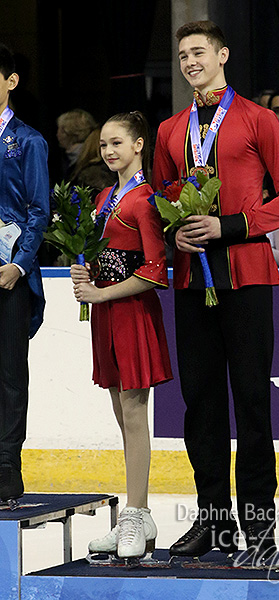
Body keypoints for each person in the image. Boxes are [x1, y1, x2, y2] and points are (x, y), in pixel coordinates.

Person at [152, 20, 279, 559]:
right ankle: (214, 523)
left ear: (222, 54)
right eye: (182, 55)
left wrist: (232, 226)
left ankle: (260, 532)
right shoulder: (171, 129)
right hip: (193, 279)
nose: (189, 61)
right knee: (200, 405)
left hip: (247, 277)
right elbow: (160, 197)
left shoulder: (258, 119)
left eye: (198, 51)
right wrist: (178, 230)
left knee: (251, 402)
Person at [70, 111, 173, 559]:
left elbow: (155, 271)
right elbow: (105, 254)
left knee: (134, 415)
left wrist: (102, 291)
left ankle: (134, 514)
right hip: (109, 313)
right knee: (122, 414)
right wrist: (87, 272)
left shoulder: (145, 199)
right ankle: (139, 514)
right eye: (104, 144)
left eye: (118, 143)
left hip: (132, 312)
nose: (109, 151)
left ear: (138, 146)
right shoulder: (105, 197)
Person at [0, 43, 49, 506]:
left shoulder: (28, 141)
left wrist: (19, 264)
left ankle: (6, 469)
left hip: (9, 275)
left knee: (10, 375)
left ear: (10, 81)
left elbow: (39, 210)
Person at [56, 108, 97, 181]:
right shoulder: (70, 159)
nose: (57, 134)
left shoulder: (89, 165)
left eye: (59, 129)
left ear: (68, 132)